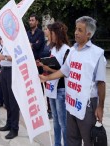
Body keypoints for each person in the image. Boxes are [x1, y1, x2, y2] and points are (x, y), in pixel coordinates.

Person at [40, 16, 106, 146]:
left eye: (80, 30)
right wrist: (46, 78)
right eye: (76, 29)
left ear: (89, 34)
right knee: (72, 139)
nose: (76, 32)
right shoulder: (73, 51)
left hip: (87, 106)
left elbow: (101, 83)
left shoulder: (97, 54)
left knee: (88, 140)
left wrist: (100, 107)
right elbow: (64, 71)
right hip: (71, 103)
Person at [39, 22, 70, 146]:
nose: (48, 35)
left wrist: (48, 69)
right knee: (56, 121)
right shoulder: (53, 48)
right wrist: (43, 66)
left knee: (63, 123)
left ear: (57, 34)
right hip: (51, 88)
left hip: (61, 89)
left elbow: (64, 72)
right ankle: (57, 143)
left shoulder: (67, 50)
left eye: (50, 33)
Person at [0, 41, 20, 139]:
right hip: (4, 70)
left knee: (13, 101)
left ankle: (14, 128)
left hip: (12, 71)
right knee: (6, 100)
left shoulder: (15, 42)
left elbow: (17, 57)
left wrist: (4, 57)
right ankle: (9, 123)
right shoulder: (4, 42)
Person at [40, 24, 53, 119]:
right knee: (46, 91)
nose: (45, 30)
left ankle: (51, 110)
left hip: (51, 70)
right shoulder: (45, 43)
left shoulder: (53, 44)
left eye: (46, 29)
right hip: (44, 69)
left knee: (51, 90)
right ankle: (48, 108)